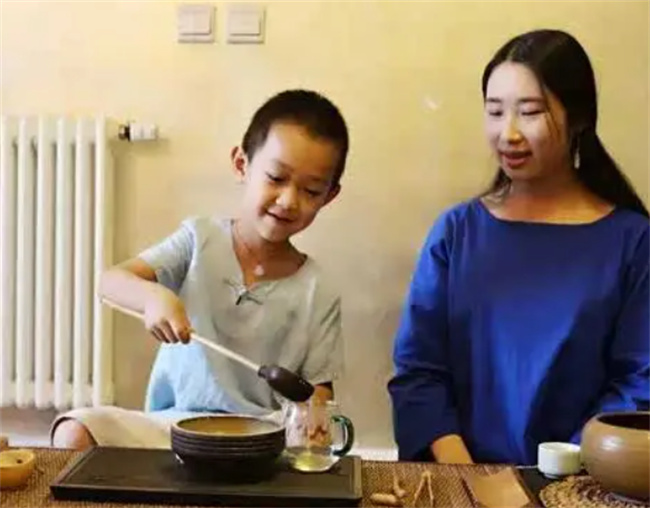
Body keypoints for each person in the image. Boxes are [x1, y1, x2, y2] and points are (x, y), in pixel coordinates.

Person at [388, 29, 649, 465]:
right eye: (494, 112)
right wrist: (468, 478)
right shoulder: (456, 232)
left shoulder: (633, 241)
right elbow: (419, 372)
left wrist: (563, 470)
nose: (507, 133)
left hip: (584, 481)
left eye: (529, 112)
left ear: (578, 117)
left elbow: (639, 385)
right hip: (459, 478)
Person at [52, 89, 349, 450]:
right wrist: (153, 297)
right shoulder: (198, 238)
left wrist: (313, 425)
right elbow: (110, 281)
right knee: (74, 432)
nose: (288, 201)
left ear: (329, 196)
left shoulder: (319, 288)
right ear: (241, 164)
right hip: (175, 428)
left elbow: (318, 391)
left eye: (311, 191)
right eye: (275, 177)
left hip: (263, 436)